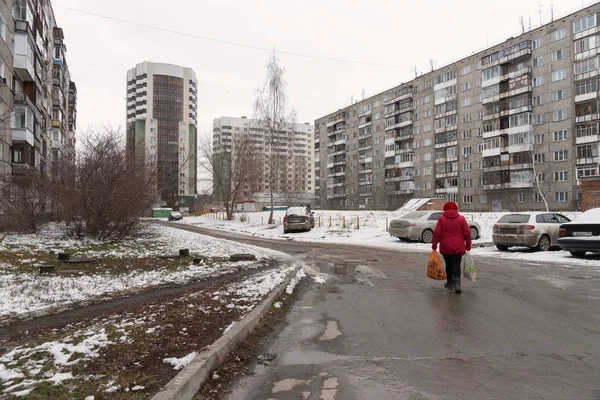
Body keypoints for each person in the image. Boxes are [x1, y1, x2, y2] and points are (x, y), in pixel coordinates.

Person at [431, 202, 472, 293]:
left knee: (448, 264)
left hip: (446, 246)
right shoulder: (461, 219)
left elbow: (437, 233)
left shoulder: (441, 219)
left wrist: (434, 244)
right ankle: (457, 285)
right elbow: (467, 233)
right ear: (456, 209)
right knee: (456, 264)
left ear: (445, 209)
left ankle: (450, 283)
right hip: (458, 246)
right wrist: (468, 245)